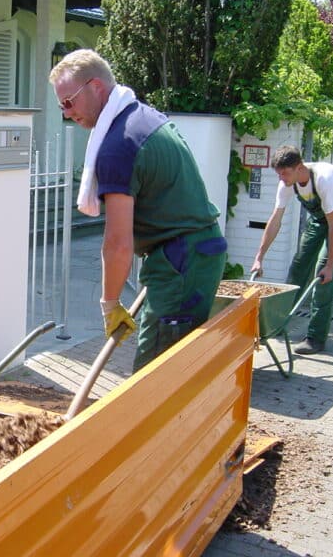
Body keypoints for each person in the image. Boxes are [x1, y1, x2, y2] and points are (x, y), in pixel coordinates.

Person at [48, 49, 227, 371]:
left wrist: (110, 304)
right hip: (191, 254)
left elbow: (118, 243)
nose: (66, 112)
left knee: (154, 375)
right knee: (174, 368)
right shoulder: (145, 118)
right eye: (61, 105)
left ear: (95, 87)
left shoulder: (119, 145)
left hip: (180, 262)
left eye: (69, 101)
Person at [251, 145, 333, 354]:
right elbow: (275, 221)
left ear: (299, 167)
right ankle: (279, 325)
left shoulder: (324, 180)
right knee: (299, 265)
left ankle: (316, 338)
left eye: (285, 173)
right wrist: (259, 257)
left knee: (323, 276)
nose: (281, 178)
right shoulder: (287, 184)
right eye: (279, 174)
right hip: (320, 218)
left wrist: (330, 265)